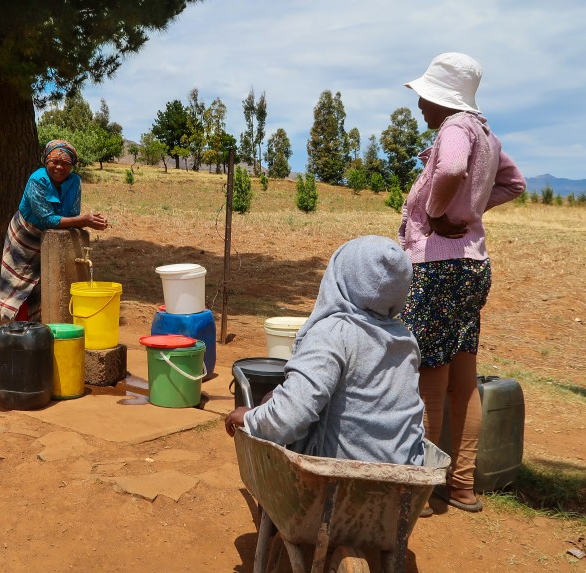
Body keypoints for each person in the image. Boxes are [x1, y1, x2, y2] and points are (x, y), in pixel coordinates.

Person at [398, 53, 526, 512]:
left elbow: (451, 170)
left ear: (441, 97)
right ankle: (463, 486)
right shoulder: (487, 135)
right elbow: (515, 183)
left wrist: (437, 214)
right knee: (463, 380)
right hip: (473, 267)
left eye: (424, 97)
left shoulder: (454, 129)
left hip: (439, 270)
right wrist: (469, 211)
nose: (419, 106)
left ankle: (425, 487)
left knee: (429, 380)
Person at [225, 235, 426, 467]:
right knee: (276, 398)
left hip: (341, 476)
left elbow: (290, 417)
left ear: (341, 276)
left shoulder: (333, 333)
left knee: (276, 403)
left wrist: (252, 419)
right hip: (406, 472)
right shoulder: (404, 338)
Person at [0, 140, 108, 321]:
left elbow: (72, 213)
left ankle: (38, 328)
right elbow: (46, 219)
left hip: (52, 237)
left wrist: (86, 221)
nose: (59, 167)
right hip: (25, 235)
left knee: (45, 284)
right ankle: (18, 329)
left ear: (72, 166)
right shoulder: (37, 179)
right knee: (20, 283)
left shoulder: (74, 181)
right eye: (54, 161)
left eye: (65, 163)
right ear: (45, 161)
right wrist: (83, 220)